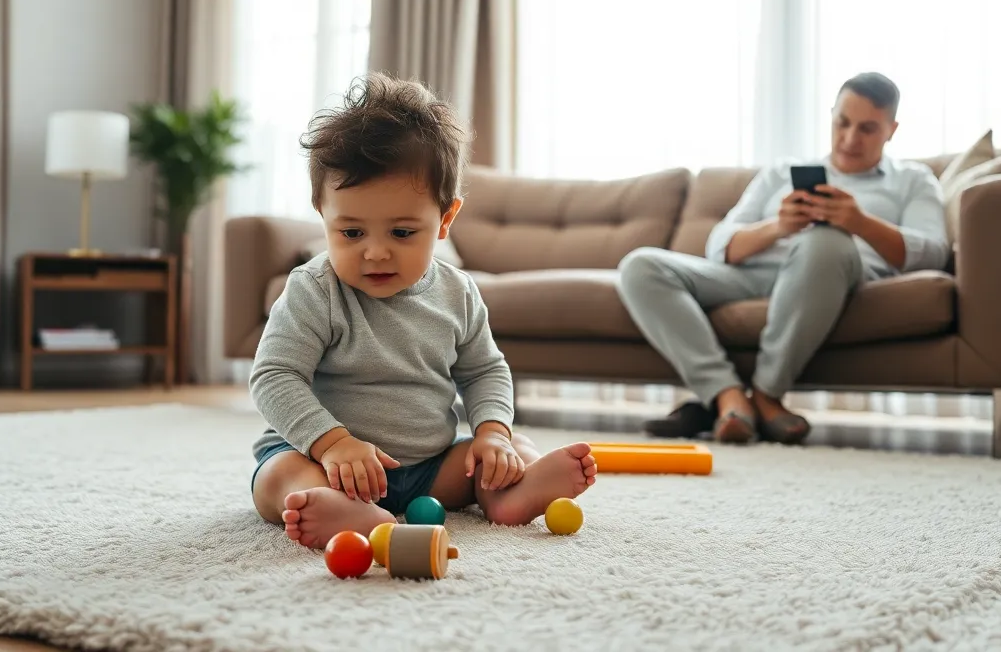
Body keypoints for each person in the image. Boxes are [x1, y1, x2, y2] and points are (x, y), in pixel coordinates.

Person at [248, 73, 597, 549]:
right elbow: (274, 375)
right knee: (281, 478)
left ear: (445, 220)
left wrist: (493, 433)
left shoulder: (459, 294)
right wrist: (334, 444)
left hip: (431, 469)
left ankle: (510, 493)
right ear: (322, 213)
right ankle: (350, 514)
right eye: (351, 233)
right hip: (326, 462)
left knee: (505, 452)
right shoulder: (315, 290)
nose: (374, 253)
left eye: (402, 233)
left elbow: (485, 371)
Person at [616, 72, 950, 445]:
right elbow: (720, 243)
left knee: (826, 241)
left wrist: (859, 223)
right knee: (640, 266)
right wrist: (778, 227)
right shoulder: (781, 172)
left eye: (867, 128)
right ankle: (728, 396)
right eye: (842, 122)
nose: (850, 138)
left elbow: (934, 253)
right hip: (754, 272)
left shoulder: (913, 181)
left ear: (892, 129)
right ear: (831, 115)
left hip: (830, 276)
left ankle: (766, 393)